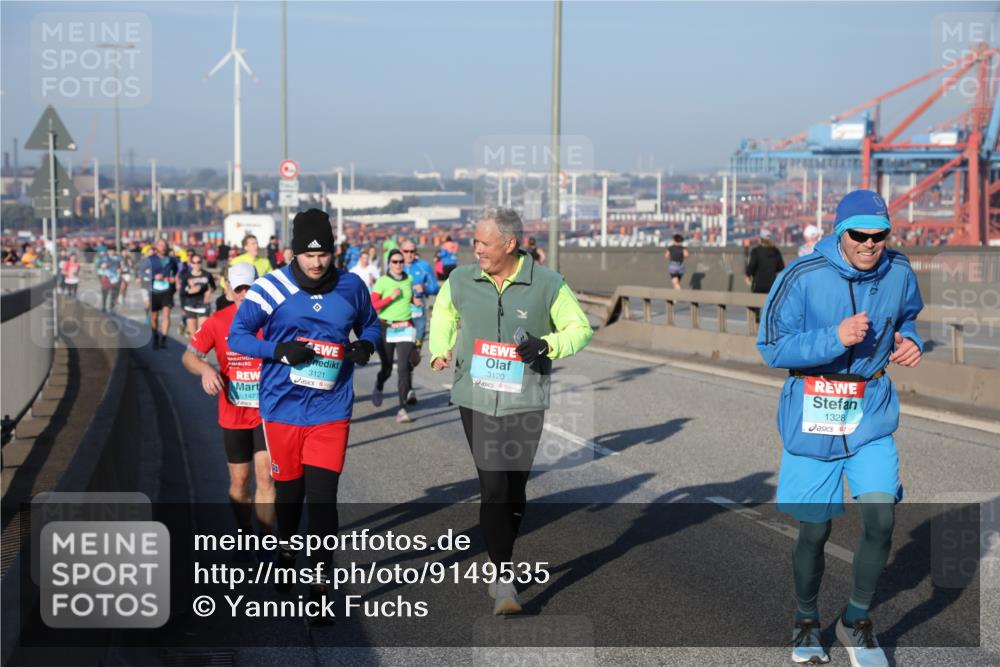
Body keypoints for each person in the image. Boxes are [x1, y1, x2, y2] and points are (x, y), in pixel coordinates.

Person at [757, 190, 923, 667]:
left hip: (870, 410)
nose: (870, 245)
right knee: (815, 531)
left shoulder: (900, 270)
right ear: (839, 231)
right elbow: (771, 347)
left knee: (881, 518)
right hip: (813, 411)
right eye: (860, 235)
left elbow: (909, 317)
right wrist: (835, 337)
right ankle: (807, 620)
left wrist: (909, 341)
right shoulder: (802, 275)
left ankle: (856, 620)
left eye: (879, 235)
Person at [429, 208, 593, 614]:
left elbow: (580, 328)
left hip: (525, 397)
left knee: (516, 489)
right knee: (495, 486)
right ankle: (503, 578)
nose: (476, 249)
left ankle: (501, 557)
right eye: (475, 241)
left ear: (509, 244)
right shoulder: (461, 279)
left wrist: (548, 345)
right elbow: (444, 313)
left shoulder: (548, 283)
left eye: (484, 243)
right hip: (477, 395)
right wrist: (440, 349)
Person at [228, 208, 381, 620]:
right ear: (294, 253)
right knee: (290, 498)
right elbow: (238, 336)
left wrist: (365, 346)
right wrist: (278, 351)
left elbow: (371, 325)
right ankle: (282, 550)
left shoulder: (351, 286)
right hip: (282, 409)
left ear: (334, 252)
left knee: (324, 498)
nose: (316, 263)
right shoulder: (269, 288)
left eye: (324, 254)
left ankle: (319, 584)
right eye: (308, 255)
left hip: (331, 409)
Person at [182, 263, 275, 539]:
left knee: (266, 476)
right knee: (239, 481)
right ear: (229, 290)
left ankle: (266, 538)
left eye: (250, 287)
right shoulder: (218, 321)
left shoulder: (274, 320)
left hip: (267, 412)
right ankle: (245, 533)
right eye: (239, 288)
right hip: (233, 413)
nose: (245, 293)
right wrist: (206, 369)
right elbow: (188, 357)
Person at [370, 249, 418, 422]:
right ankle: (379, 384)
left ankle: (402, 409)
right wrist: (390, 297)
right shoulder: (383, 281)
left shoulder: (409, 279)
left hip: (405, 327)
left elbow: (410, 299)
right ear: (389, 264)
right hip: (386, 327)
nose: (398, 265)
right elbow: (373, 304)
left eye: (400, 262)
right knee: (388, 368)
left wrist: (415, 299)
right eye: (394, 262)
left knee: (404, 368)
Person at [400, 240, 439, 404]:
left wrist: (425, 288)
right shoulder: (395, 265)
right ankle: (408, 390)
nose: (409, 255)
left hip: (418, 317)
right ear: (400, 251)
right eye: (406, 251)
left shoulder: (423, 266)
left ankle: (407, 385)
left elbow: (435, 288)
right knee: (404, 354)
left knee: (414, 355)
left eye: (412, 251)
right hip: (400, 317)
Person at [141, 239, 180, 349]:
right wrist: (153, 277)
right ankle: (155, 336)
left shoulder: (172, 259)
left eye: (165, 245)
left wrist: (174, 279)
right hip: (154, 290)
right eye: (160, 245)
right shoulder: (150, 259)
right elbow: (142, 271)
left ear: (167, 247)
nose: (163, 247)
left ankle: (164, 338)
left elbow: (176, 271)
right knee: (154, 316)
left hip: (167, 289)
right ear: (156, 247)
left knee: (166, 313)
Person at [179, 252, 217, 337]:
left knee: (202, 332)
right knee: (193, 335)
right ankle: (194, 349)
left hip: (203, 304)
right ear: (191, 264)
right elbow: (181, 292)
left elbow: (214, 286)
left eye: (199, 262)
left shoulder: (207, 275)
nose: (197, 264)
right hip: (190, 304)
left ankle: (200, 350)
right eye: (194, 262)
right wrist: (189, 291)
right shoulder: (186, 276)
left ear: (201, 263)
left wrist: (209, 291)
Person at [96, 246, 122, 313]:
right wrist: (102, 266)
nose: (111, 252)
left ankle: (112, 307)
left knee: (114, 293)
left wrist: (119, 269)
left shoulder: (117, 258)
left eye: (113, 250)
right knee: (105, 292)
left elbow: (119, 266)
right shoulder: (104, 257)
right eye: (110, 250)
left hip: (115, 278)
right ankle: (104, 306)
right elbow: (98, 266)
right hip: (106, 276)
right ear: (107, 251)